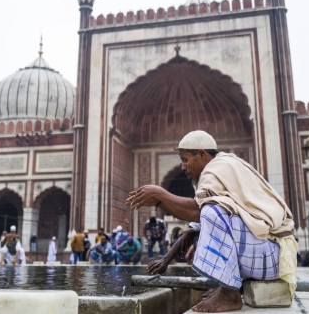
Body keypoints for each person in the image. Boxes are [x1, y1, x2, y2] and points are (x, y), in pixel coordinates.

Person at [127, 130, 297, 313]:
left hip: (272, 256)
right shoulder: (224, 166)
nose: (183, 167)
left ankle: (229, 294)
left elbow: (198, 211)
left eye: (185, 160)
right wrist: (166, 260)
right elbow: (195, 225)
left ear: (201, 153)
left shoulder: (216, 169)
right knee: (202, 223)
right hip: (272, 256)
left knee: (210, 212)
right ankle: (231, 286)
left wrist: (160, 195)